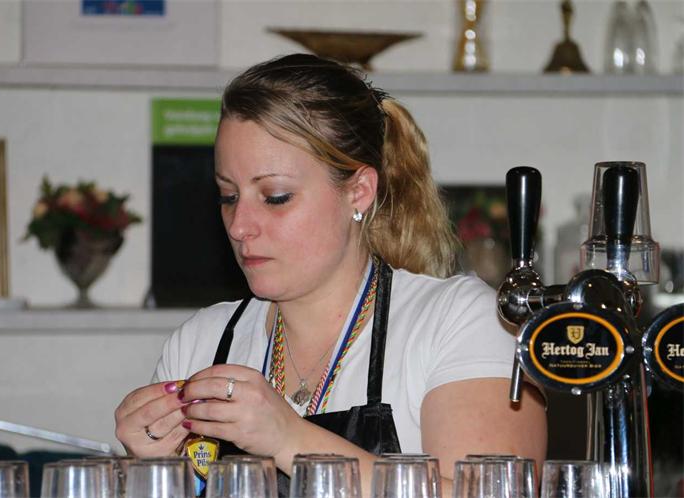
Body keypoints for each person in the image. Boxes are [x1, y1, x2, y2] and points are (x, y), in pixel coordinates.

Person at [115, 53, 547, 497]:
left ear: (359, 191)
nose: (240, 226)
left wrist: (289, 439)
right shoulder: (200, 343)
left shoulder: (459, 322)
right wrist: (153, 474)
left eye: (275, 197)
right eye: (229, 196)